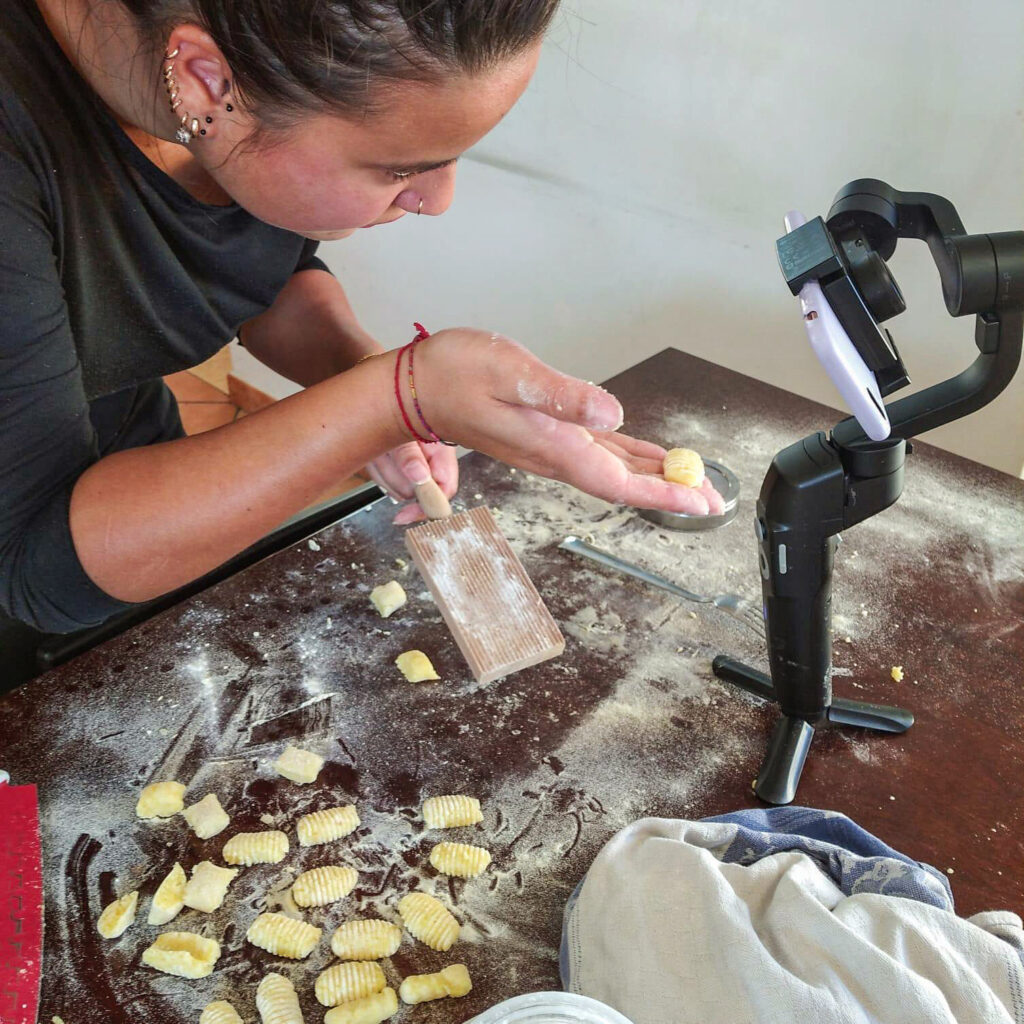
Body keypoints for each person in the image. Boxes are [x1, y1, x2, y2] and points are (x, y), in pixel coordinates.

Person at [0, 0, 725, 681]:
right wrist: (390, 401)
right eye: (401, 168)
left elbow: (247, 273)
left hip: (135, 476)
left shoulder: (222, 103)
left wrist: (355, 367)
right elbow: (41, 566)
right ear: (206, 79)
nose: (437, 202)